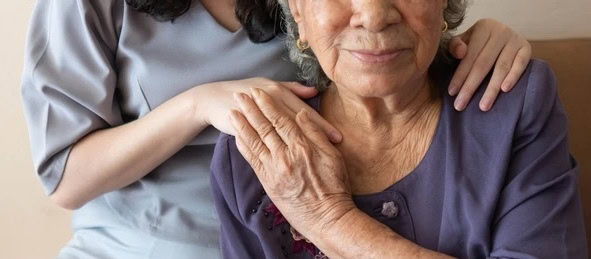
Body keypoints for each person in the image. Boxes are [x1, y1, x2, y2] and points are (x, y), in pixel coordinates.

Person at [21, 0, 530, 258]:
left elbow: (374, 47)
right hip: (143, 247)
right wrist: (199, 106)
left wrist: (476, 36)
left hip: (283, 236)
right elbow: (65, 177)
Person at [211, 0, 588, 258]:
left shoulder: (511, 102)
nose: (374, 15)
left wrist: (330, 221)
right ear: (298, 9)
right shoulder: (250, 152)